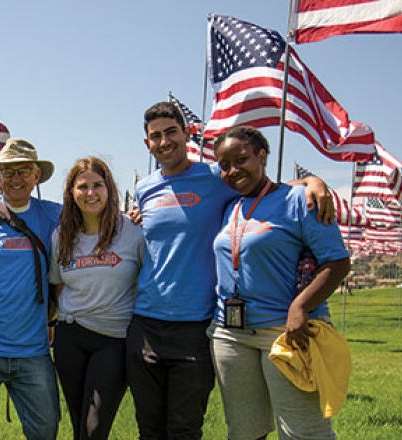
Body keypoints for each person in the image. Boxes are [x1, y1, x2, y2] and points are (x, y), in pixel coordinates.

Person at [127, 102, 335, 439]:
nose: (164, 141)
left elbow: (266, 187)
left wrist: (313, 181)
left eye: (171, 132)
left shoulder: (216, 176)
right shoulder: (145, 188)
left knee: (184, 426)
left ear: (187, 134)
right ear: (147, 143)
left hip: (198, 321)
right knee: (151, 426)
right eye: (155, 136)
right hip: (148, 321)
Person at [209, 125, 351, 439]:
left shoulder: (302, 200)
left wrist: (300, 306)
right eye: (224, 165)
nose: (233, 170)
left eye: (241, 159)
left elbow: (338, 261)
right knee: (244, 432)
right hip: (230, 335)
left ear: (262, 156)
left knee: (304, 432)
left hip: (286, 333)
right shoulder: (229, 207)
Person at [0, 138, 62, 440]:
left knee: (46, 429)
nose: (15, 178)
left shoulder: (55, 215)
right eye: (8, 172)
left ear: (36, 176)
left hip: (33, 349)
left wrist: (134, 218)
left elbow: (101, 220)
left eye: (23, 171)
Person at [49, 157, 144, 440]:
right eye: (82, 187)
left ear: (109, 188)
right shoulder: (62, 235)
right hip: (71, 336)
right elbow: (57, 285)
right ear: (71, 193)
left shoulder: (132, 231)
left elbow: (147, 280)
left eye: (97, 185)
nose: (90, 193)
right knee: (79, 423)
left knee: (94, 429)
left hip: (114, 339)